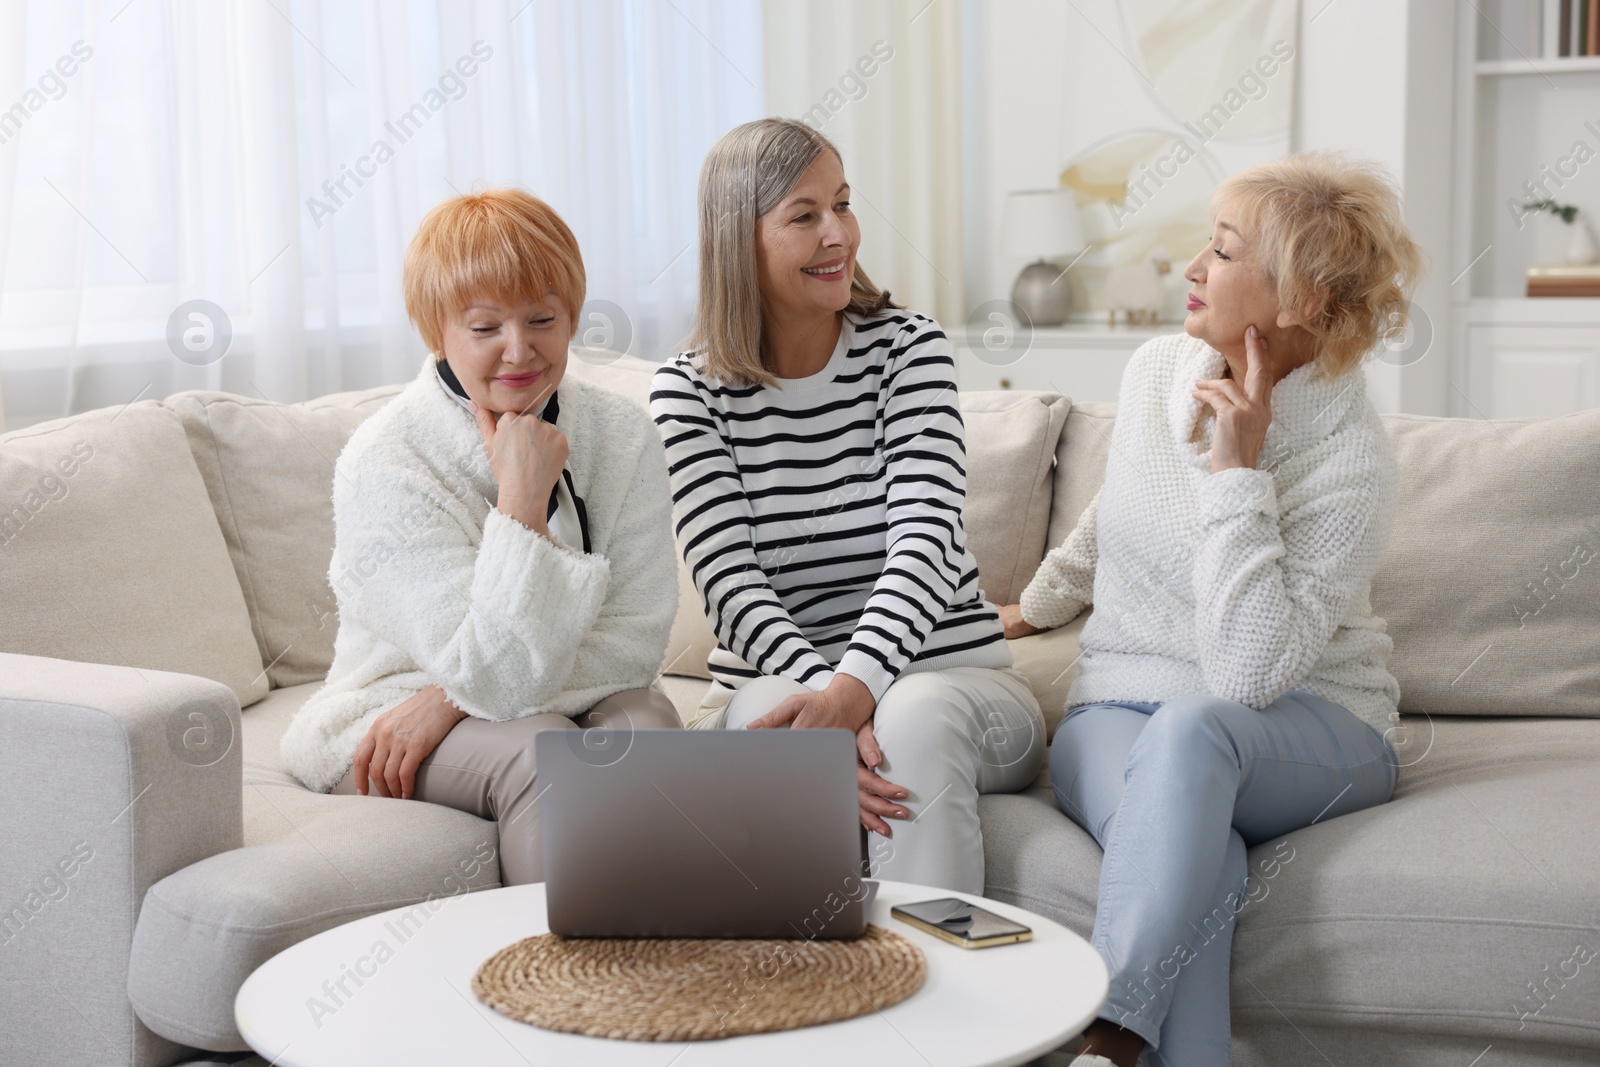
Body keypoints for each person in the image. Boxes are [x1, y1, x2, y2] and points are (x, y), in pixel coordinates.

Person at [999, 151, 1424, 1067]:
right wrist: (1033, 607)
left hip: (1312, 726)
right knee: (1206, 863)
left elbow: (1247, 676)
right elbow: (1116, 515)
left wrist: (1240, 474)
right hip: (1117, 709)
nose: (1193, 268)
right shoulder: (1158, 371)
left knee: (1198, 731)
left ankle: (1107, 1035)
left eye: (1224, 253)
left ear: (1304, 300)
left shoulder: (1351, 462)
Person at [649, 118, 1044, 896]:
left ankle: (939, 1005)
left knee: (916, 716)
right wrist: (828, 709)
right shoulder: (689, 392)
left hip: (959, 681)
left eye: (843, 203)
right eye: (804, 216)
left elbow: (925, 545)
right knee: (777, 729)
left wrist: (853, 692)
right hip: (783, 680)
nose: (839, 234)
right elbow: (728, 584)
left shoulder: (908, 350)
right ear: (739, 240)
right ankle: (809, 997)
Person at [281, 188, 680, 886]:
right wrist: (523, 502)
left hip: (455, 697)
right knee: (543, 751)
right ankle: (553, 989)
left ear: (572, 318)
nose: (519, 351)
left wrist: (449, 699)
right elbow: (493, 673)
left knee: (645, 725)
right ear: (438, 331)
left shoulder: (623, 435)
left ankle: (660, 981)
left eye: (543, 320)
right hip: (385, 712)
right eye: (485, 327)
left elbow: (635, 641)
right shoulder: (387, 458)